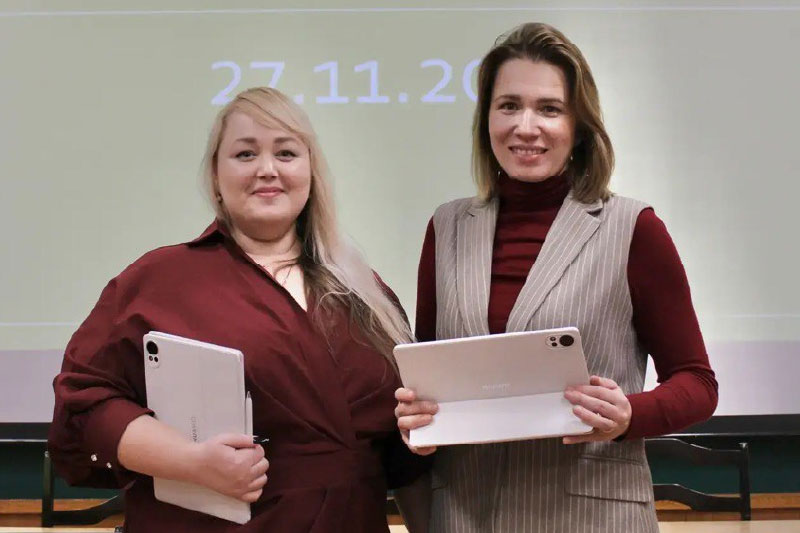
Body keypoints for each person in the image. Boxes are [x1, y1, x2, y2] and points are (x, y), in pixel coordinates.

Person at [48, 87, 429, 533]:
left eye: (286, 153)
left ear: (311, 171)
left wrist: (418, 435)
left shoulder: (365, 291)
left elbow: (396, 459)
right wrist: (189, 461)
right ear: (215, 176)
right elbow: (85, 405)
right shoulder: (157, 281)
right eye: (246, 154)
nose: (267, 169)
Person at [395, 22, 718, 532]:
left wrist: (629, 415)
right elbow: (432, 380)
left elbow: (697, 383)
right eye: (508, 106)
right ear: (486, 120)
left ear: (579, 125)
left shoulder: (634, 228)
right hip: (464, 513)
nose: (526, 127)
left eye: (549, 109)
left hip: (592, 514)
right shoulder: (447, 227)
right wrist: (417, 419)